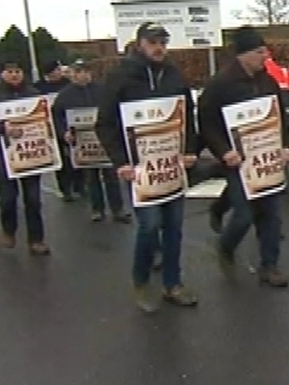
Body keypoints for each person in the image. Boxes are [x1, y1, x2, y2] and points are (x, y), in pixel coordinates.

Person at [96, 22, 199, 311]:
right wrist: (121, 162)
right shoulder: (120, 76)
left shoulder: (173, 74)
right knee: (150, 226)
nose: (159, 48)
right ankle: (141, 281)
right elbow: (104, 123)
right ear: (140, 43)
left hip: (171, 164)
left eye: (163, 42)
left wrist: (190, 148)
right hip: (139, 168)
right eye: (153, 42)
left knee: (175, 226)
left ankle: (172, 284)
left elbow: (187, 115)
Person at [198, 25, 289, 288]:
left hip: (267, 157)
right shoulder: (221, 84)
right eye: (261, 51)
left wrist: (285, 145)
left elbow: (280, 116)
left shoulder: (268, 81)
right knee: (244, 214)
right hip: (237, 160)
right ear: (244, 54)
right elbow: (206, 121)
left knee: (272, 213)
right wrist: (223, 151)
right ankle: (225, 246)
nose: (266, 56)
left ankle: (269, 266)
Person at [207, 53, 289, 230]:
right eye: (259, 52)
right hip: (244, 140)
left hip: (266, 133)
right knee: (243, 192)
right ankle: (225, 222)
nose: (262, 57)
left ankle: (269, 236)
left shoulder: (268, 77)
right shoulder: (281, 72)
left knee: (263, 193)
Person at [0, 61, 50, 255]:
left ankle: (36, 240)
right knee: (8, 198)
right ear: (2, 73)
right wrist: (1, 128)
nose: (14, 75)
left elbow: (47, 119)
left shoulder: (33, 94)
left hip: (31, 155)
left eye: (18, 71)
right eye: (10, 71)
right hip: (3, 154)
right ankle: (9, 231)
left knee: (33, 199)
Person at [55, 61, 130, 224]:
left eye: (85, 71)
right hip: (82, 143)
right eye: (78, 72)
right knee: (91, 177)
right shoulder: (64, 95)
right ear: (72, 74)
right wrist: (64, 133)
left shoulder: (103, 90)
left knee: (111, 175)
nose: (82, 75)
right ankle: (97, 209)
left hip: (105, 141)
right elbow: (57, 118)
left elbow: (114, 111)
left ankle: (118, 209)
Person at [36, 63, 80, 202]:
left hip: (70, 124)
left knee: (77, 156)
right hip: (51, 128)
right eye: (57, 70)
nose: (59, 72)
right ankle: (65, 188)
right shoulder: (38, 87)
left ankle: (80, 186)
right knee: (61, 161)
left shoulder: (67, 84)